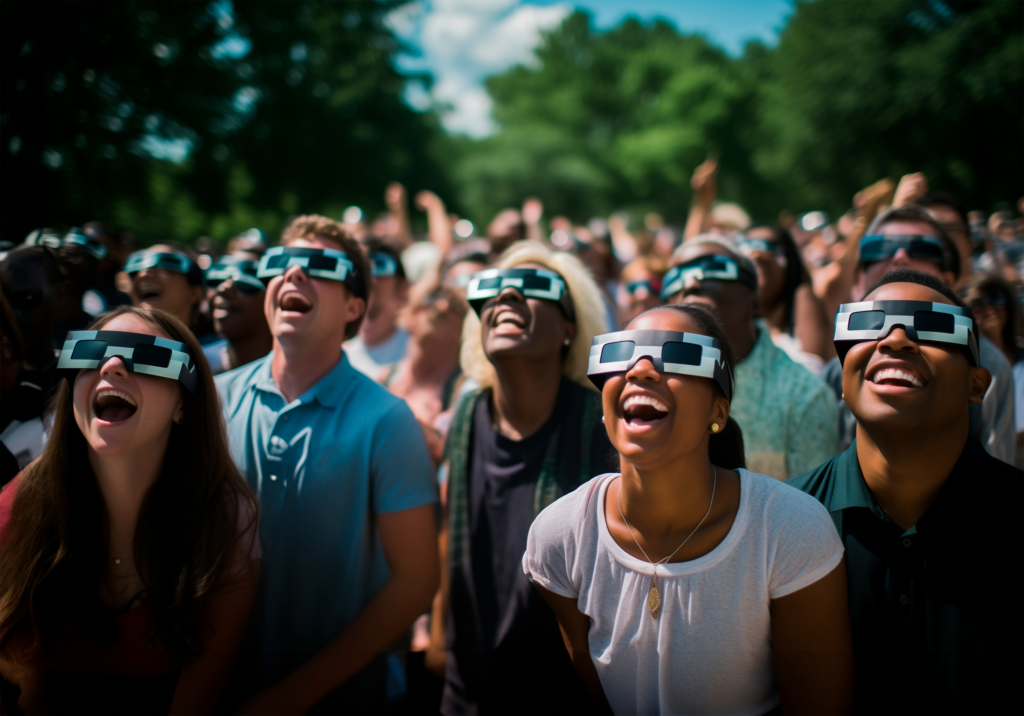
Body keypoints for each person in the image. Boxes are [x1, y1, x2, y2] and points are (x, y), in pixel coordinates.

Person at [523, 302, 853, 714]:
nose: (640, 369)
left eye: (679, 355)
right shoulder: (559, 536)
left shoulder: (791, 530)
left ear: (719, 411)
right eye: (620, 353)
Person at [216, 215, 438, 713]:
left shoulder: (386, 420)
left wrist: (292, 697)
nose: (294, 274)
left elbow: (416, 581)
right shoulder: (213, 400)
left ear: (355, 305)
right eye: (280, 263)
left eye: (319, 265)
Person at [0, 305, 260, 714]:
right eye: (90, 353)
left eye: (151, 357)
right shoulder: (20, 502)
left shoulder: (225, 522)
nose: (114, 366)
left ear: (183, 407)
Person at [788, 269, 1023, 714]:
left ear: (978, 385)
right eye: (865, 324)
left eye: (934, 326)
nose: (895, 339)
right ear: (841, 376)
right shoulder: (779, 523)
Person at [437, 242, 618, 715]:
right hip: (468, 686)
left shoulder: (603, 427)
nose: (508, 296)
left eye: (537, 287)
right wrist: (438, 631)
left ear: (568, 329)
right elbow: (448, 533)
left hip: (567, 691)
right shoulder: (466, 415)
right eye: (490, 290)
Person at [820, 206, 1016, 462]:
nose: (900, 256)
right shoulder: (835, 372)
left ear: (949, 281)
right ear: (859, 281)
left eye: (922, 249)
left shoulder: (988, 364)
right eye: (878, 248)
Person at [663, 236, 839, 479]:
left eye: (711, 268)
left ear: (754, 299)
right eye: (674, 279)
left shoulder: (804, 394)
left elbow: (816, 506)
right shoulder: (650, 383)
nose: (690, 282)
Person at [384, 283, 468, 465]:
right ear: (412, 314)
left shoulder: (467, 391)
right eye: (433, 298)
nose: (443, 306)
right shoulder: (382, 380)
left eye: (455, 306)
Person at [738, 223, 834, 372]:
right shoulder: (734, 319)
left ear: (789, 260)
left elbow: (813, 376)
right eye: (747, 247)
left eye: (770, 248)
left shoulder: (803, 298)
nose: (757, 255)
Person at [344, 239, 411, 378]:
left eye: (380, 266)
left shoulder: (416, 352)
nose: (368, 277)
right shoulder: (338, 356)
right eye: (360, 269)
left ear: (402, 289)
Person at [202, 256, 272, 375]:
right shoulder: (193, 364)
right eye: (216, 281)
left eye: (244, 283)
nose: (223, 289)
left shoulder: (300, 372)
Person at [124, 244, 206, 333]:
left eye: (165, 264)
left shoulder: (219, 346)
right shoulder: (115, 342)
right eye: (138, 268)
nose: (144, 274)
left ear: (194, 294)